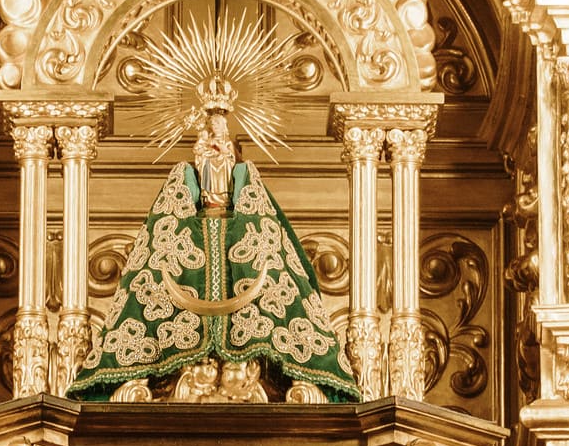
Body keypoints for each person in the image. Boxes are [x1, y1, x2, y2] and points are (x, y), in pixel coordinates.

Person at [66, 92, 359, 403]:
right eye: (207, 146)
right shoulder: (177, 222)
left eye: (221, 146)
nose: (214, 152)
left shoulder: (252, 221)